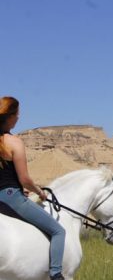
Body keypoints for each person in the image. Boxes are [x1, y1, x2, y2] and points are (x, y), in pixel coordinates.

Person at [0, 96, 66, 280]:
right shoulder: (14, 142)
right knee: (58, 231)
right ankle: (56, 273)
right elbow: (25, 179)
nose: (19, 118)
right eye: (18, 114)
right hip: (11, 198)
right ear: (11, 116)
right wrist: (39, 192)